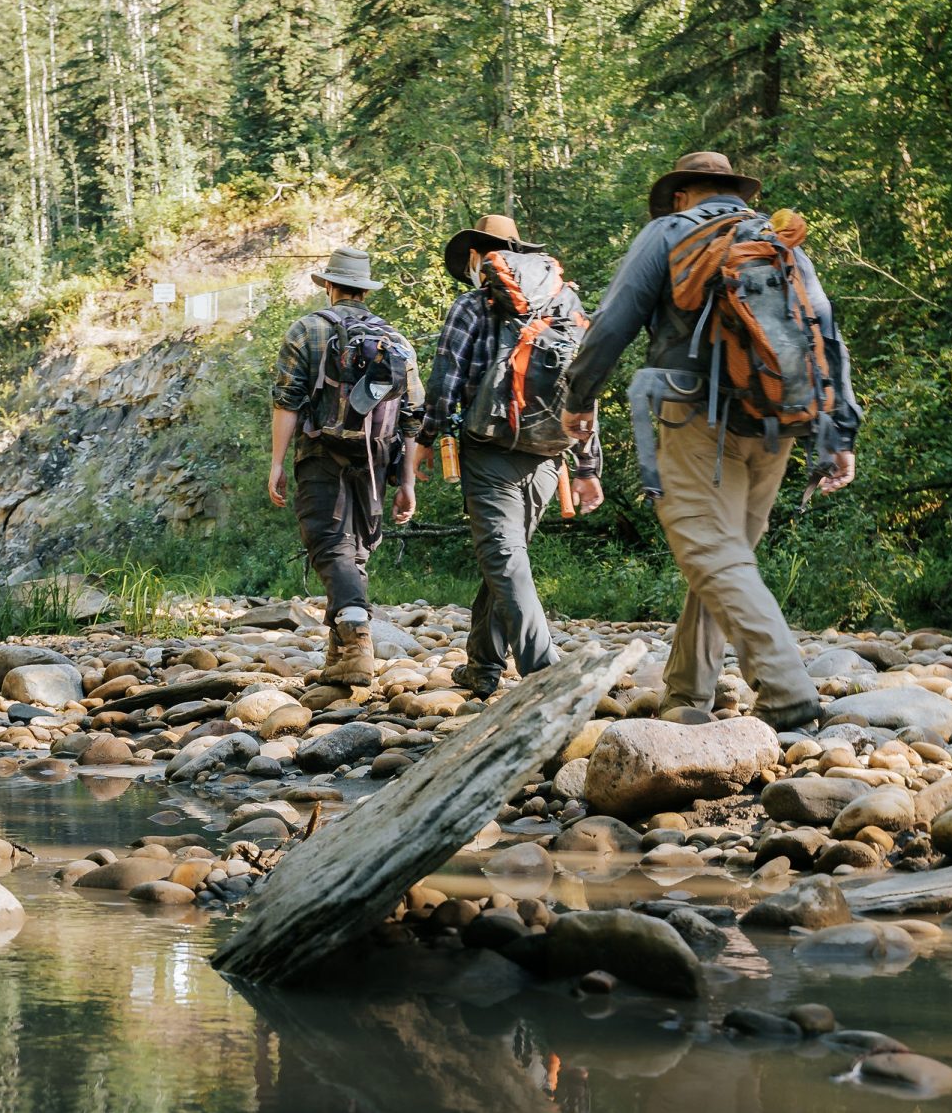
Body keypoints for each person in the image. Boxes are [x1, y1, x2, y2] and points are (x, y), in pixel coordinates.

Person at [561, 151, 861, 732]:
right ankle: (687, 688)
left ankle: (786, 686)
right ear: (735, 193)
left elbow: (613, 321)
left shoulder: (669, 231)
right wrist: (838, 432)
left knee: (710, 551)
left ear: (681, 194)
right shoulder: (779, 242)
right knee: (728, 558)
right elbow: (826, 333)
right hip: (777, 420)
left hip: (693, 414)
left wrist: (579, 399)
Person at [413, 214, 603, 701]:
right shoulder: (566, 301)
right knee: (505, 560)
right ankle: (482, 665)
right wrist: (587, 465)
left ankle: (544, 670)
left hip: (491, 448)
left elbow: (444, 383)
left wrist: (425, 442)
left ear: (478, 256)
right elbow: (585, 385)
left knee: (504, 559)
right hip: (548, 454)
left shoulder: (473, 305)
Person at [269, 245, 422, 686]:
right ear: (365, 289)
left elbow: (287, 401)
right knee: (355, 550)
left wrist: (277, 463)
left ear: (331, 285)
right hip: (378, 458)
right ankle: (340, 654)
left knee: (328, 543)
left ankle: (355, 634)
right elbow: (413, 416)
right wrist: (407, 482)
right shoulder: (396, 340)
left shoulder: (308, 330)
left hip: (321, 453)